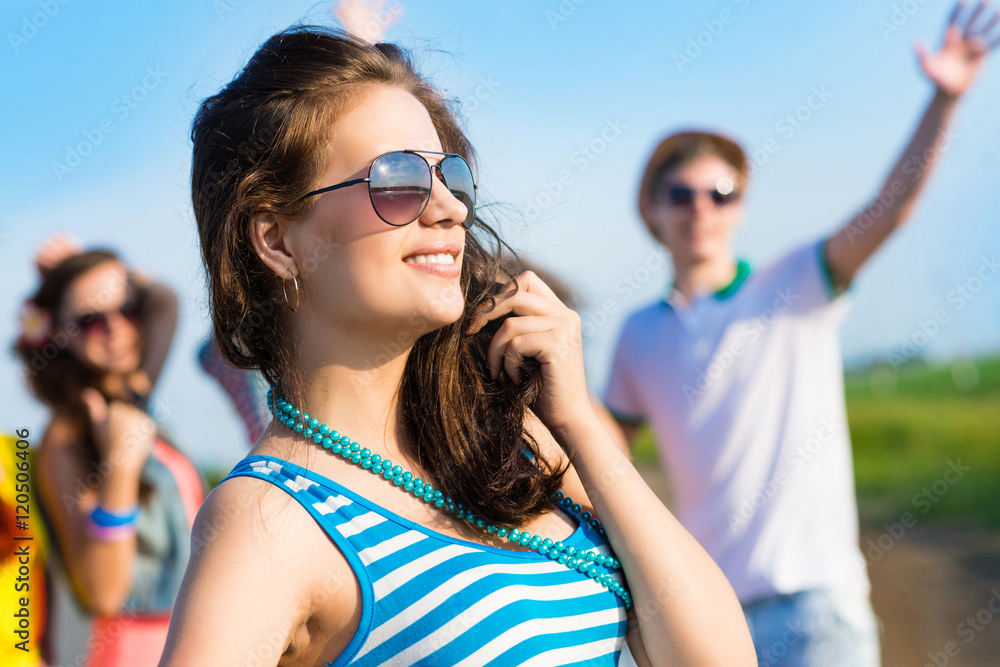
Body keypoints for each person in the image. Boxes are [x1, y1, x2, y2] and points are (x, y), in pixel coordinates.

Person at [160, 25, 756, 666]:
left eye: (451, 177)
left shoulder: (514, 442)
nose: (448, 208)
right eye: (396, 180)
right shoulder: (266, 520)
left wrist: (579, 422)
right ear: (277, 240)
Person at [603, 4, 997, 665]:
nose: (701, 206)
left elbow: (889, 210)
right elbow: (604, 454)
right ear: (652, 208)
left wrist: (943, 99)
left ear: (741, 206)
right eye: (681, 193)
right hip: (708, 616)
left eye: (721, 192)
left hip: (814, 610)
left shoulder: (794, 285)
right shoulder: (638, 335)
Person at [14, 237, 205, 667]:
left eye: (127, 308)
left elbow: (166, 300)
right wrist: (121, 467)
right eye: (89, 320)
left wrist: (82, 268)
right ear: (57, 335)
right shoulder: (68, 436)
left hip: (193, 636)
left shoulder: (135, 396)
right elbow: (103, 592)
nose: (116, 326)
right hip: (133, 651)